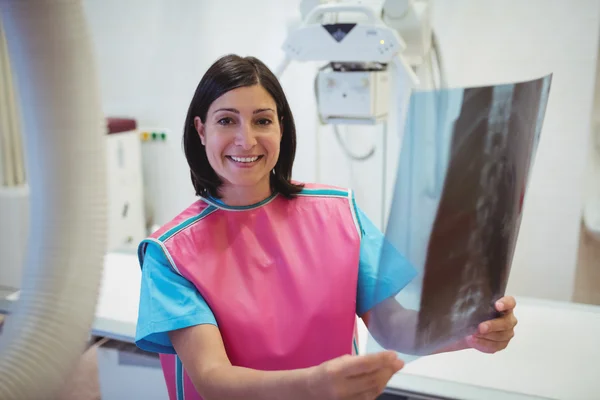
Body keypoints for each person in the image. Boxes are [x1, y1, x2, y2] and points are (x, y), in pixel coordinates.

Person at [135, 54, 518, 400]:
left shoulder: (338, 213)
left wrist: (468, 330)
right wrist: (314, 386)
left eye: (262, 120)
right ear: (201, 131)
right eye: (226, 120)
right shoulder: (171, 253)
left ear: (281, 128)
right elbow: (213, 379)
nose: (246, 139)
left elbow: (393, 326)